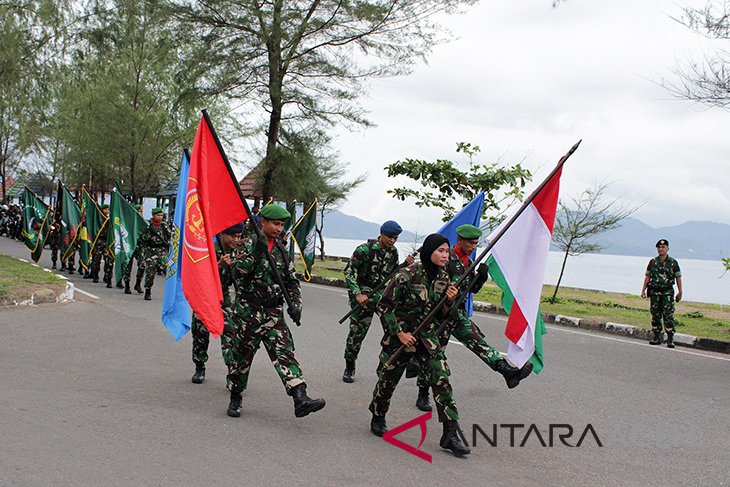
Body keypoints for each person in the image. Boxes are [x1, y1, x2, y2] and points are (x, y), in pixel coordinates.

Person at [409, 225, 533, 412]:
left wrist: (480, 277)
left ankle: (507, 371)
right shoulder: (446, 259)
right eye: (471, 243)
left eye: (476, 243)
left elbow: (470, 290)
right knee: (434, 356)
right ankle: (422, 393)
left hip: (456, 315)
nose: (474, 246)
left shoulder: (468, 263)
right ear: (460, 241)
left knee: (477, 341)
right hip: (437, 316)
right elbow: (434, 286)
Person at [369, 233, 470, 456]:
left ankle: (450, 432)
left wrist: (449, 302)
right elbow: (384, 306)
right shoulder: (407, 274)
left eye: (447, 251)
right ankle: (378, 414)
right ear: (428, 251)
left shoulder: (444, 278)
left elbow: (441, 314)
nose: (445, 255)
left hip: (427, 338)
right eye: (440, 251)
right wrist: (400, 333)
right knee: (388, 379)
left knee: (441, 379)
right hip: (402, 337)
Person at [223, 204, 325, 418]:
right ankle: (235, 395)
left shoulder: (281, 250)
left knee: (285, 353)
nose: (279, 228)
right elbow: (238, 274)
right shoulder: (244, 245)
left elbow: (291, 281)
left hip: (272, 313)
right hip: (247, 313)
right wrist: (257, 254)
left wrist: (296, 304)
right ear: (263, 222)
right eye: (275, 223)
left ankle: (300, 397)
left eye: (282, 225)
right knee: (241, 360)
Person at [342, 220, 414, 383]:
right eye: (390, 237)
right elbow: (349, 272)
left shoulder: (393, 252)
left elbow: (394, 273)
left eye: (395, 238)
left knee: (393, 329)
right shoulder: (364, 250)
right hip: (363, 297)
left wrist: (405, 266)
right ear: (382, 234)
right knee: (357, 333)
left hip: (382, 296)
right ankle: (350, 365)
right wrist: (357, 293)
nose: (392, 241)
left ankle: (384, 366)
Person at [191, 223, 242, 383]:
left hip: (224, 297)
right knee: (201, 332)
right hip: (206, 296)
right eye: (233, 236)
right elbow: (199, 274)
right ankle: (199, 365)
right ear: (222, 235)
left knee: (230, 333)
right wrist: (219, 265)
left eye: (239, 236)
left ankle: (232, 373)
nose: (236, 239)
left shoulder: (239, 253)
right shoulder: (208, 250)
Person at [641, 239, 683, 348]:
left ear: (668, 248)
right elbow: (647, 276)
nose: (661, 249)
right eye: (659, 247)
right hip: (654, 291)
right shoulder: (653, 262)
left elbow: (678, 277)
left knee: (668, 315)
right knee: (655, 314)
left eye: (663, 247)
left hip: (667, 292)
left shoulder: (673, 262)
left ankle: (670, 338)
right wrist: (643, 290)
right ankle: (657, 336)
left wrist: (680, 291)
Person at [137, 207, 170, 300]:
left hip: (162, 251)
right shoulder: (147, 226)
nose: (160, 217)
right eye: (158, 215)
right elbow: (143, 238)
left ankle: (171, 292)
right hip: (151, 251)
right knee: (150, 273)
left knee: (169, 269)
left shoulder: (164, 226)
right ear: (153, 215)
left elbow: (170, 236)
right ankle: (148, 290)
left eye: (161, 215)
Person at [122, 204, 146, 294]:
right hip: (129, 246)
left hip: (140, 247)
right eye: (138, 211)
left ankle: (138, 284)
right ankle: (127, 285)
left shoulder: (144, 223)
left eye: (141, 211)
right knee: (128, 266)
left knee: (142, 265)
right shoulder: (128, 223)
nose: (140, 213)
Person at [90, 204, 113, 285]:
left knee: (108, 261)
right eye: (105, 209)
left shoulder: (110, 219)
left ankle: (107, 276)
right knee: (97, 260)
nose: (107, 211)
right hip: (99, 241)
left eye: (108, 209)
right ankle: (95, 275)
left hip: (107, 242)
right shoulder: (98, 219)